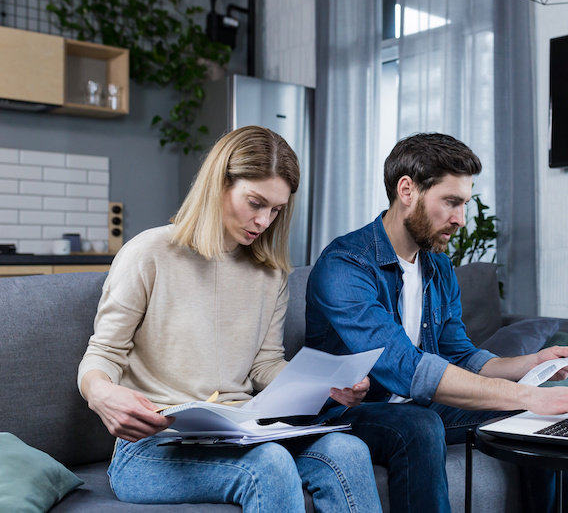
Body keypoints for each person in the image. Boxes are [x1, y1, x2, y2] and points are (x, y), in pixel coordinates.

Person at [305, 132, 568, 513]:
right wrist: (529, 393)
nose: (461, 220)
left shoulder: (438, 266)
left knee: (535, 418)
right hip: (349, 414)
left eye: (464, 204)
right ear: (407, 190)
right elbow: (405, 368)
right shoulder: (345, 265)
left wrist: (529, 365)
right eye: (451, 202)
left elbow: (460, 354)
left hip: (424, 404)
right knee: (419, 426)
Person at [78, 126, 382, 513]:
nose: (264, 221)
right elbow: (102, 353)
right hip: (154, 447)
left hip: (241, 433)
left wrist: (329, 386)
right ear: (219, 184)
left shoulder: (270, 275)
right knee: (269, 465)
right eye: (255, 203)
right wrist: (100, 392)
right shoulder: (148, 254)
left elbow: (264, 365)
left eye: (276, 210)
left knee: (348, 449)